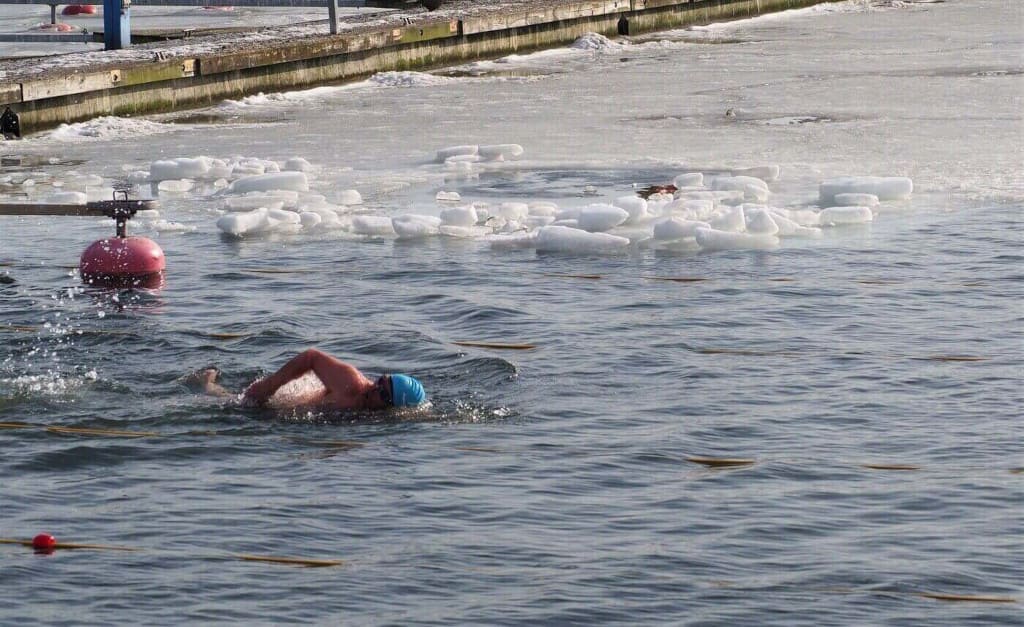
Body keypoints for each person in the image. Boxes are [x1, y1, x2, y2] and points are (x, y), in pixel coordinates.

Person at [187, 348, 426, 411]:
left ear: (392, 407)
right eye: (381, 380)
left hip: (311, 404)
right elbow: (311, 356)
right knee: (235, 405)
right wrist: (272, 386)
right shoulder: (351, 383)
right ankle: (207, 381)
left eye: (383, 393)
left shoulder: (373, 421)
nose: (374, 388)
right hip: (288, 395)